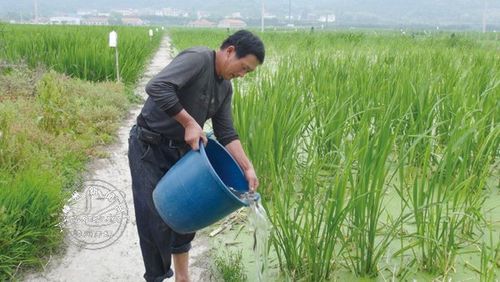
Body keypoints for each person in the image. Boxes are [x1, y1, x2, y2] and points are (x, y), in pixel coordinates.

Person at [128, 30, 265, 282]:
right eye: (243, 67)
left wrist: (247, 167)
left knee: (187, 211)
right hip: (148, 146)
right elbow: (156, 86)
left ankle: (183, 278)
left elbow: (226, 132)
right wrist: (190, 122)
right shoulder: (198, 59)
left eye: (248, 72)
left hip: (182, 151)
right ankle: (156, 278)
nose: (242, 74)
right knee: (153, 219)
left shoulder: (225, 87)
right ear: (230, 51)